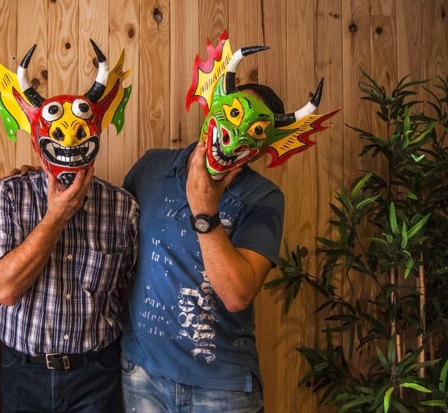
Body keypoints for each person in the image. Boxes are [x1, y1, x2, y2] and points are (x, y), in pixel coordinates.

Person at [120, 33, 334, 413]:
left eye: (255, 132)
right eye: (234, 115)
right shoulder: (151, 167)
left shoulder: (264, 198)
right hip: (142, 375)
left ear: (266, 147)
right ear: (213, 105)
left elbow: (237, 294)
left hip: (222, 388)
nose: (235, 137)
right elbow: (113, 233)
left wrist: (205, 212)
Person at [0, 40, 137, 412]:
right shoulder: (8, 195)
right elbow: (3, 290)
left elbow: (128, 290)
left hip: (96, 375)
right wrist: (55, 217)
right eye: (57, 135)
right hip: (22, 371)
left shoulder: (123, 207)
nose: (69, 142)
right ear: (37, 143)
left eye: (80, 133)